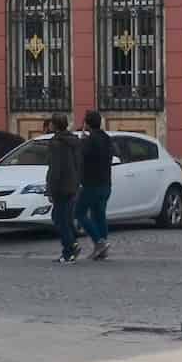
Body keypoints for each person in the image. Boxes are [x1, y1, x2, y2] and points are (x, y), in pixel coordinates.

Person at [45, 113, 82, 263]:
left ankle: (70, 249)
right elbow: (79, 163)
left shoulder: (56, 143)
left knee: (58, 218)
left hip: (60, 186)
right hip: (72, 184)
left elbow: (55, 169)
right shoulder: (74, 140)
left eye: (51, 123)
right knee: (65, 217)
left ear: (54, 125)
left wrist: (50, 189)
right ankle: (71, 244)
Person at [77, 111, 114, 260]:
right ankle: (102, 247)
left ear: (87, 124)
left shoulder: (89, 140)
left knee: (79, 212)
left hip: (91, 184)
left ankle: (98, 242)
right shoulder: (107, 138)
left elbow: (81, 157)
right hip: (106, 183)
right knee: (99, 215)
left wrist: (83, 140)